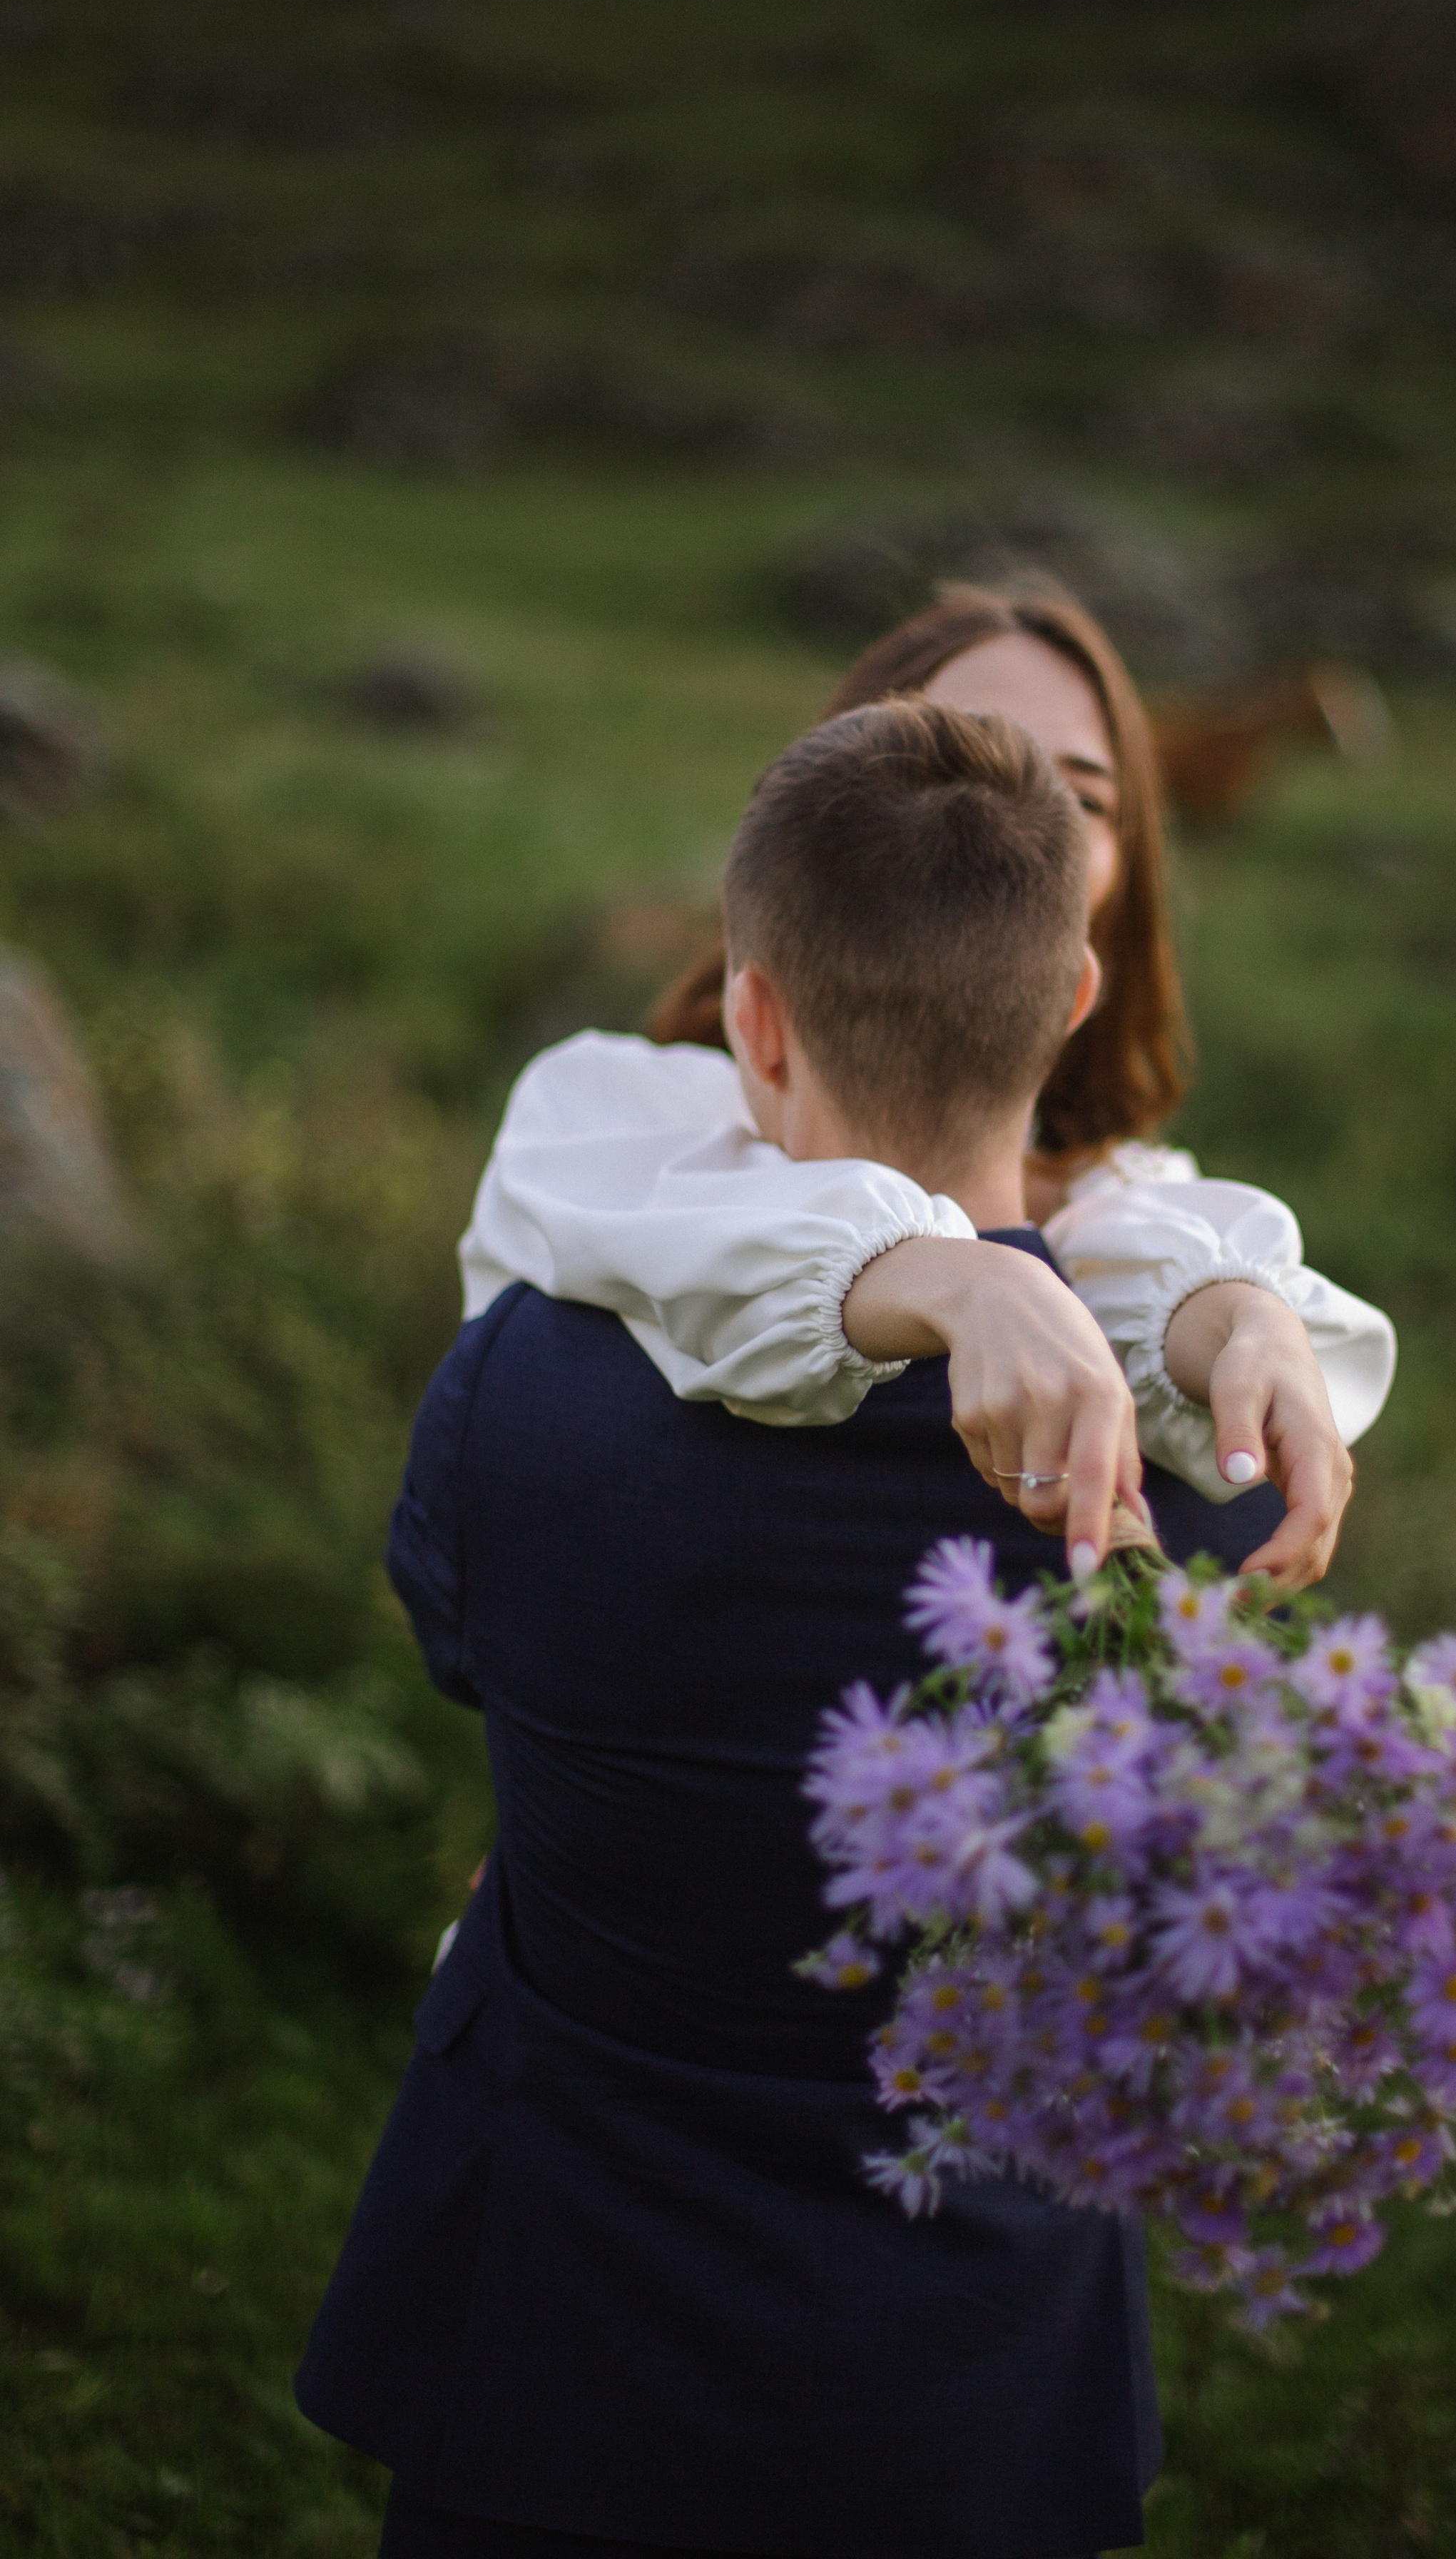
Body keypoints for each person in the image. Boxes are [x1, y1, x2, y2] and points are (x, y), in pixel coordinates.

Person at [297, 703, 1343, 2558]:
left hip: (556, 2329)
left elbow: (459, 1647)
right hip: (969, 2375)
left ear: (752, 1021)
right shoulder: (1220, 1476)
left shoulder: (518, 1390)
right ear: (1076, 997)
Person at [461, 582, 1393, 1590]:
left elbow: (1131, 1241)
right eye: (953, 762)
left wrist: (1234, 1315)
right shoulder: (630, 1127)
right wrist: (962, 1279)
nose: (1009, 826)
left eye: (1081, 797)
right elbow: (629, 1210)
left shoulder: (1141, 1207)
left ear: (1125, 884)